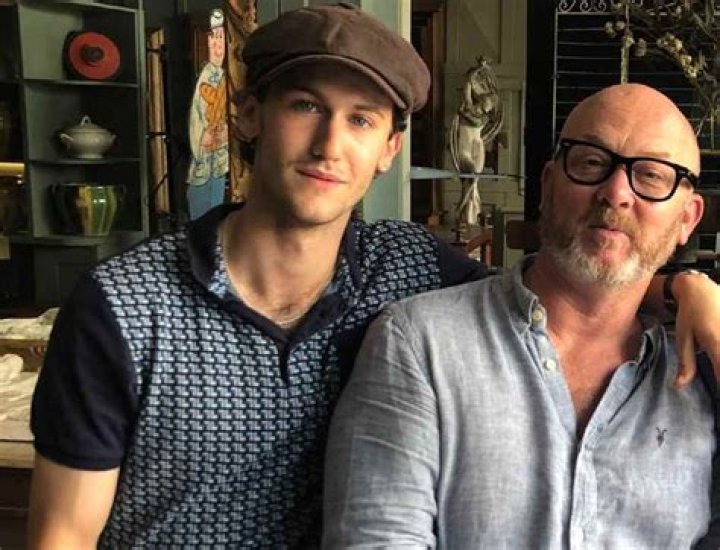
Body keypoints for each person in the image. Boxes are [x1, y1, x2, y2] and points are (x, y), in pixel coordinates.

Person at [26, 3, 719, 548]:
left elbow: (567, 284)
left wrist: (683, 288)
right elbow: (62, 534)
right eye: (305, 106)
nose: (330, 144)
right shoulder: (125, 305)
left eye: (360, 120)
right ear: (248, 114)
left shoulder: (406, 267)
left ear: (388, 147)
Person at [323, 83, 720, 549]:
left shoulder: (707, 371)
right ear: (548, 185)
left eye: (652, 175)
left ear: (688, 218)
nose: (616, 192)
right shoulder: (421, 343)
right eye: (591, 162)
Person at [186, 8, 230, 220]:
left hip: (219, 151)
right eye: (214, 44)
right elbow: (198, 114)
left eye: (221, 44)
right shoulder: (206, 76)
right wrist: (204, 136)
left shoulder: (226, 76)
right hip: (205, 147)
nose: (218, 49)